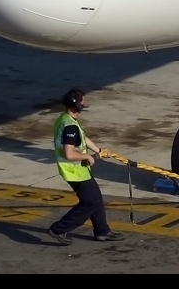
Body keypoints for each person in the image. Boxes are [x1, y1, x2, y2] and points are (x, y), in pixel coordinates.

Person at [46, 88, 123, 244]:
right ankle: (58, 229)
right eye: (83, 102)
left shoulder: (65, 119)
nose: (84, 104)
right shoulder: (70, 127)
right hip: (74, 170)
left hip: (80, 169)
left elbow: (83, 137)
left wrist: (99, 150)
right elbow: (69, 153)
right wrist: (89, 156)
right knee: (90, 203)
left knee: (96, 199)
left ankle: (102, 231)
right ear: (77, 105)